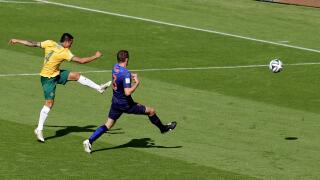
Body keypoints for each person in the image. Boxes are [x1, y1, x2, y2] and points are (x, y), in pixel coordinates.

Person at [9, 33, 111, 142]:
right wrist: (95, 56)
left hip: (56, 74)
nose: (71, 45)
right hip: (48, 79)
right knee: (49, 103)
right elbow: (82, 61)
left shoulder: (50, 43)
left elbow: (33, 43)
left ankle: (98, 88)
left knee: (76, 75)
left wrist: (17, 40)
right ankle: (39, 129)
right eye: (71, 43)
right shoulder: (65, 52)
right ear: (67, 42)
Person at [83, 50, 177, 153]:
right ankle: (163, 129)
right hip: (126, 104)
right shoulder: (126, 73)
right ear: (126, 59)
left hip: (115, 102)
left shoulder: (115, 67)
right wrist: (137, 83)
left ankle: (89, 141)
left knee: (108, 125)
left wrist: (130, 75)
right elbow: (127, 92)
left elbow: (121, 76)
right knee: (151, 111)